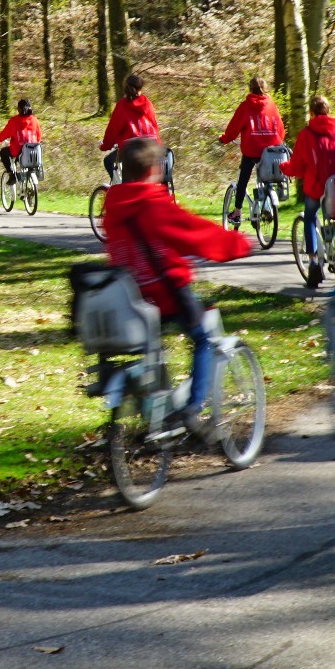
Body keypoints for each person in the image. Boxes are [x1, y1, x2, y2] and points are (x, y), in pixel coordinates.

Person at [102, 137, 254, 433]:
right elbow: (195, 234)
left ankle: (157, 412)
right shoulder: (153, 204)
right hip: (165, 295)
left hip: (131, 300)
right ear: (156, 169)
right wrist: (238, 244)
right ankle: (194, 410)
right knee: (202, 336)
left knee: (156, 344)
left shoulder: (114, 207)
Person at [282, 96, 335, 276]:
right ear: (329, 111)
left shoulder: (306, 134)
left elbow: (297, 165)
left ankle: (314, 260)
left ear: (312, 113)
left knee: (309, 216)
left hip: (317, 187)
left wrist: (285, 168)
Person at [219, 76, 287, 224]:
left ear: (250, 88)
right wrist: (277, 141)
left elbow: (234, 128)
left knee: (243, 179)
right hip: (271, 151)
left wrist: (225, 138)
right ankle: (268, 205)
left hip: (252, 151)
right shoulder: (272, 106)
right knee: (267, 179)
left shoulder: (245, 106)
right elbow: (281, 128)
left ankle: (237, 212)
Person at [100, 73, 160, 180]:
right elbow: (154, 126)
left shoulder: (122, 106)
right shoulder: (148, 103)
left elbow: (113, 130)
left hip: (131, 150)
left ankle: (118, 190)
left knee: (108, 161)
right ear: (140, 88)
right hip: (152, 148)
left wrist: (104, 146)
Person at [0, 98, 43, 183]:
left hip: (19, 151)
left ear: (18, 109)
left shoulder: (14, 121)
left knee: (3, 152)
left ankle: (12, 175)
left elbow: (5, 134)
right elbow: (39, 136)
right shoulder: (35, 120)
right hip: (34, 152)